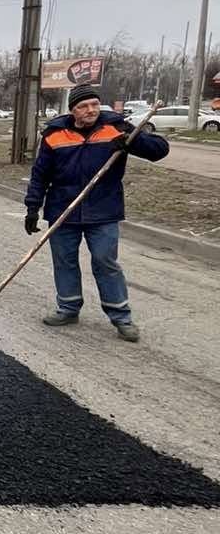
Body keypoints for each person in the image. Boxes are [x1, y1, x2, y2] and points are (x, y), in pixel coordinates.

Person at [23, 83, 168, 343]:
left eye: (93, 105)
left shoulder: (116, 127)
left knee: (105, 261)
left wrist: (133, 141)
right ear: (73, 111)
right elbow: (40, 175)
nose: (90, 110)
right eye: (83, 106)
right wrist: (33, 207)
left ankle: (121, 317)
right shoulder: (54, 135)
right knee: (64, 261)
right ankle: (68, 309)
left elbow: (159, 151)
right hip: (63, 210)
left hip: (103, 209)